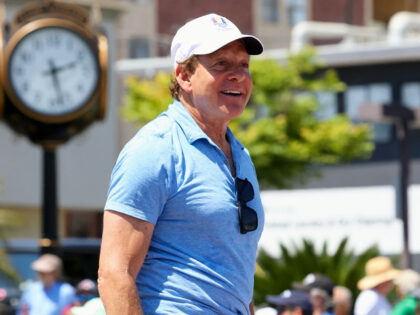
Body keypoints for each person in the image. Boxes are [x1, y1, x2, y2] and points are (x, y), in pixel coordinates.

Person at [98, 12, 264, 315]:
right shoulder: (155, 149)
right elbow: (114, 275)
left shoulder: (240, 153)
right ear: (184, 76)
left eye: (244, 65)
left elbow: (235, 276)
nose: (238, 75)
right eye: (221, 64)